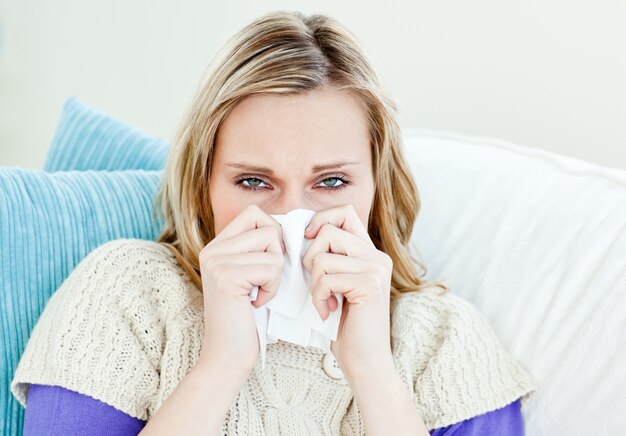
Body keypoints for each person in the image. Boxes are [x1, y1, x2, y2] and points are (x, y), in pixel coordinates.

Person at [11, 10, 536, 435]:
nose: (290, 218)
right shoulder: (128, 293)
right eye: (254, 183)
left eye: (331, 183)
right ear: (205, 184)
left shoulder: (444, 342)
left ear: (377, 188)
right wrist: (221, 363)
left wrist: (375, 373)